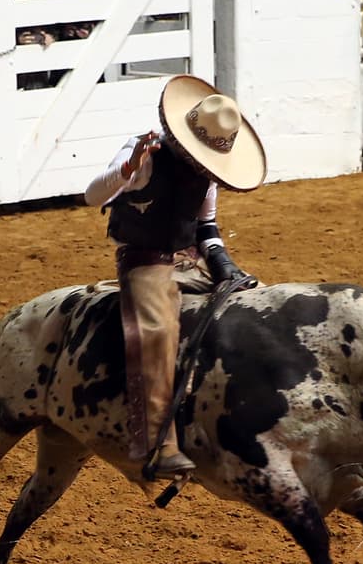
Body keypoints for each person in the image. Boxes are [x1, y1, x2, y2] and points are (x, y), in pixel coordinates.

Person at [83, 75, 265, 479]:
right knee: (158, 329)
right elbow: (93, 195)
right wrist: (128, 170)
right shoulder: (144, 154)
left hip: (191, 261)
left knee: (259, 308)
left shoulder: (205, 173)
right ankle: (156, 443)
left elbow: (207, 226)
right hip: (145, 260)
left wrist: (224, 267)